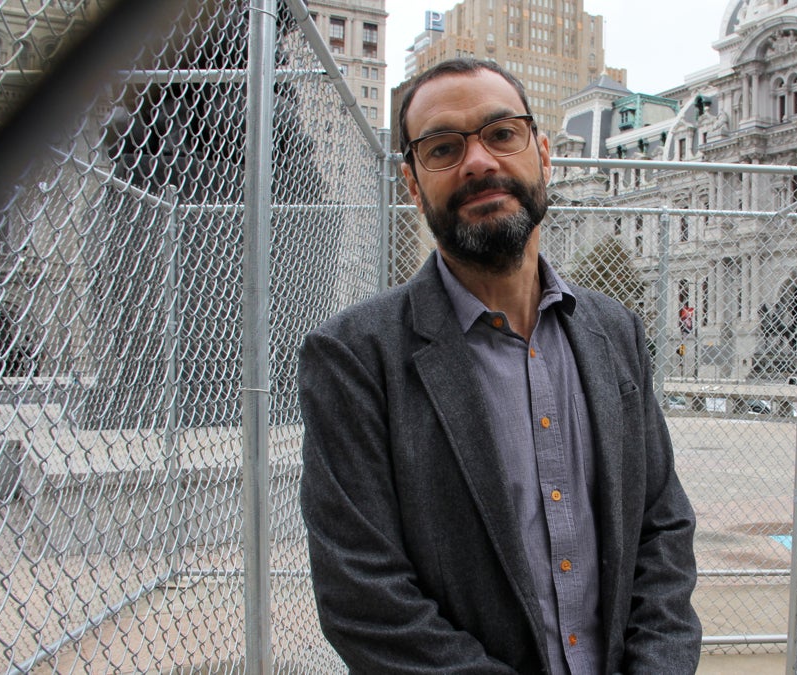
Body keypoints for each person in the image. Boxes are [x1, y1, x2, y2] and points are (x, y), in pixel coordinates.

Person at [298, 58, 701, 675]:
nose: (479, 161)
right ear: (412, 183)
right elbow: (365, 598)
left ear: (544, 153)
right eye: (443, 148)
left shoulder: (614, 332)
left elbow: (662, 528)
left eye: (501, 134)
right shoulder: (355, 358)